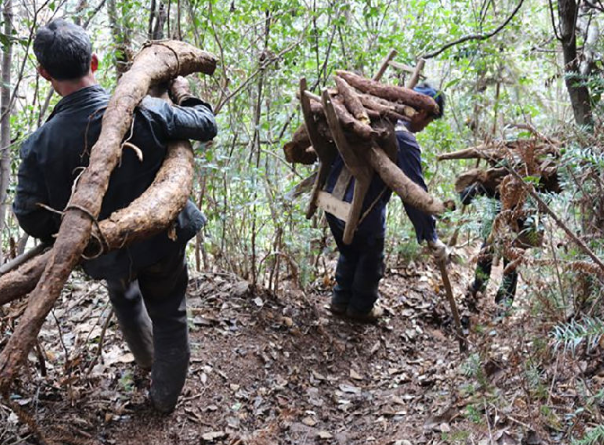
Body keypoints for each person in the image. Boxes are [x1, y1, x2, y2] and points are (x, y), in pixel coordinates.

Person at [13, 19, 217, 413]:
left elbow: (28, 214)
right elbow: (206, 124)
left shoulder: (39, 145)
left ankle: (146, 363)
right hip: (161, 243)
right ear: (94, 61)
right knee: (170, 314)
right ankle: (162, 401)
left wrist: (73, 230)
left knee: (123, 294)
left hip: (102, 253)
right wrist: (184, 97)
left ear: (43, 74)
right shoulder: (149, 112)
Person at [324, 84, 449, 322]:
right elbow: (413, 193)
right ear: (422, 113)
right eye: (429, 121)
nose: (424, 128)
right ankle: (360, 308)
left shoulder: (371, 118)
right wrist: (431, 237)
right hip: (359, 213)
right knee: (371, 255)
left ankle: (340, 300)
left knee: (350, 251)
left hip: (330, 203)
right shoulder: (403, 139)